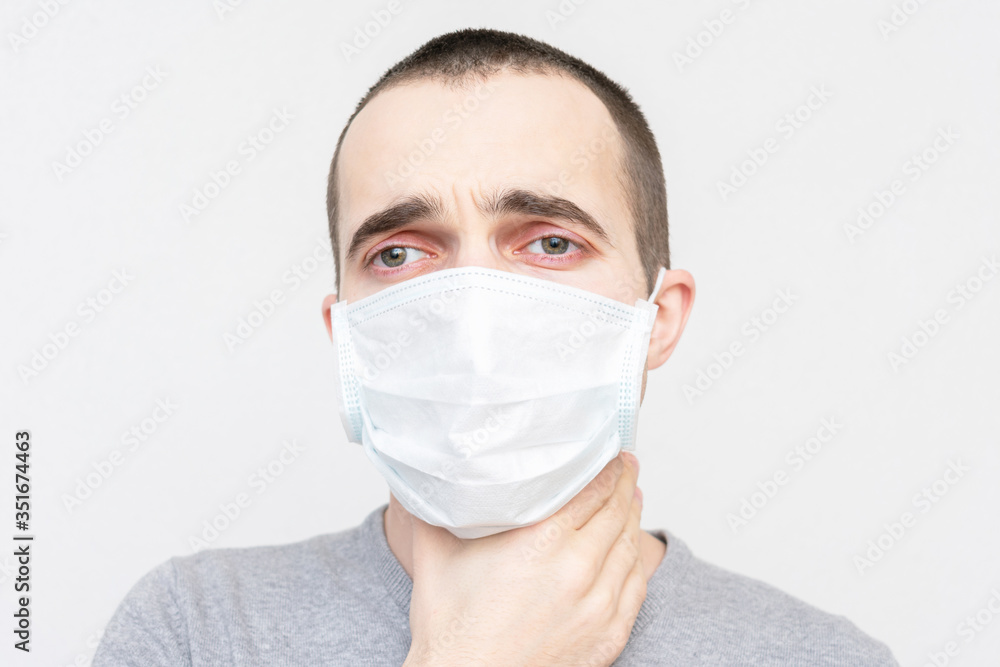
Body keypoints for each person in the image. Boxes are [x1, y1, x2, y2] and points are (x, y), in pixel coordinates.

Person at [94, 28, 899, 666]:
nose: (471, 317)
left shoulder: (822, 658)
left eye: (548, 242)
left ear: (659, 317)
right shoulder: (197, 630)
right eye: (400, 253)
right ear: (346, 336)